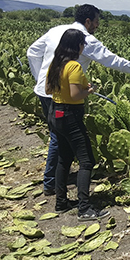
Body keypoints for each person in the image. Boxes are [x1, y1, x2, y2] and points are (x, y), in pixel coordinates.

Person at [27, 4, 130, 196]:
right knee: (59, 138)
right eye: (96, 22)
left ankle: (55, 180)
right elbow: (112, 60)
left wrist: (41, 78)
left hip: (45, 90)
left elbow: (32, 52)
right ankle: (51, 183)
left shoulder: (55, 30)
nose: (97, 26)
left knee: (58, 135)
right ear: (88, 21)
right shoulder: (85, 40)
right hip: (66, 97)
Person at [45, 29, 109, 221]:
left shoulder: (56, 64)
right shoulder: (74, 67)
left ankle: (61, 202)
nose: (83, 47)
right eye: (82, 43)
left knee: (64, 158)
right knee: (87, 160)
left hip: (55, 113)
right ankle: (84, 208)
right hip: (70, 115)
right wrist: (89, 91)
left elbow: (48, 89)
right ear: (76, 46)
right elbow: (74, 95)